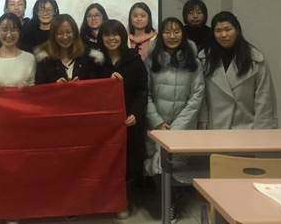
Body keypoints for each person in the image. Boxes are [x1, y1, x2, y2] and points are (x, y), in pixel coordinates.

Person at [143, 17, 205, 223]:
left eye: (176, 31)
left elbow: (197, 96)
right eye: (167, 32)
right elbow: (145, 94)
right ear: (160, 35)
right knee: (156, 165)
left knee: (176, 166)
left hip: (182, 126)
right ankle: (166, 203)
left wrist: (177, 127)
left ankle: (173, 202)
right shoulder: (151, 61)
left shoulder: (194, 63)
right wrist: (157, 122)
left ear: (183, 34)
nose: (172, 36)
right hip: (157, 125)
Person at [97, 20, 147, 219]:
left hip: (129, 122)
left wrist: (136, 113)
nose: (111, 38)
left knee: (128, 164)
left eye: (115, 34)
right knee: (104, 162)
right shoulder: (95, 61)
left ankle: (123, 201)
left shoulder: (134, 59)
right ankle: (104, 201)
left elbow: (142, 90)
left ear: (123, 36)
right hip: (103, 125)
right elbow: (88, 89)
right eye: (107, 35)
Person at [199, 11, 278, 129]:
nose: (223, 34)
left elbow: (264, 98)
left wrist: (262, 132)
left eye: (228, 29)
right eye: (218, 31)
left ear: (237, 30)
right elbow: (201, 98)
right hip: (214, 128)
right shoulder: (205, 59)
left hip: (246, 128)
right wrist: (202, 125)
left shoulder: (255, 59)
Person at [35, 14, 105, 84]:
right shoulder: (44, 60)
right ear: (53, 36)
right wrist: (54, 86)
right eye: (60, 33)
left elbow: (96, 86)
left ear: (75, 33)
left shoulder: (89, 57)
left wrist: (82, 85)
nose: (65, 37)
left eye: (68, 32)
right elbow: (40, 88)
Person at [0, 13, 36, 87]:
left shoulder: (29, 59)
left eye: (13, 30)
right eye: (4, 30)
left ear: (19, 32)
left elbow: (33, 88)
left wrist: (27, 88)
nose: (9, 35)